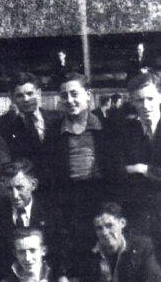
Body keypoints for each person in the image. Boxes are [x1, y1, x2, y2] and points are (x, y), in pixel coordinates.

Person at [44, 73, 114, 262]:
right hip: (69, 201)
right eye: (64, 95)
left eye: (74, 94)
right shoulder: (54, 131)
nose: (70, 100)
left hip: (101, 197)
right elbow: (49, 172)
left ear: (88, 94)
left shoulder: (105, 126)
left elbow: (114, 169)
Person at [118, 72, 161, 282]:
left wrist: (145, 170)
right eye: (139, 100)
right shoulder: (125, 133)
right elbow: (118, 170)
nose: (145, 105)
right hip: (138, 212)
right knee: (143, 273)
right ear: (132, 101)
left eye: (150, 98)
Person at [0, 160, 62, 282]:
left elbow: (59, 250)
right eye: (9, 189)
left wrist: (62, 275)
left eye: (19, 188)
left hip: (45, 279)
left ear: (33, 185)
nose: (14, 195)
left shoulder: (51, 212)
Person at [0, 72, 62, 172]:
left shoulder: (57, 118)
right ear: (12, 98)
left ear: (39, 93)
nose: (26, 99)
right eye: (19, 96)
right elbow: (6, 158)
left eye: (30, 94)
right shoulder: (7, 124)